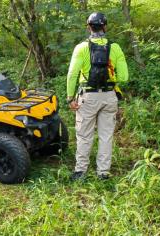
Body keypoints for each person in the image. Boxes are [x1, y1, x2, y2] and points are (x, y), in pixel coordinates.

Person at [66, 12, 128, 181]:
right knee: (106, 136)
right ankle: (103, 173)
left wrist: (70, 98)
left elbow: (72, 75)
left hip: (88, 97)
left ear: (89, 27)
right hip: (109, 97)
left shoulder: (81, 48)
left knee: (84, 135)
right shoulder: (115, 48)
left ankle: (80, 172)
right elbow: (124, 77)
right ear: (105, 27)